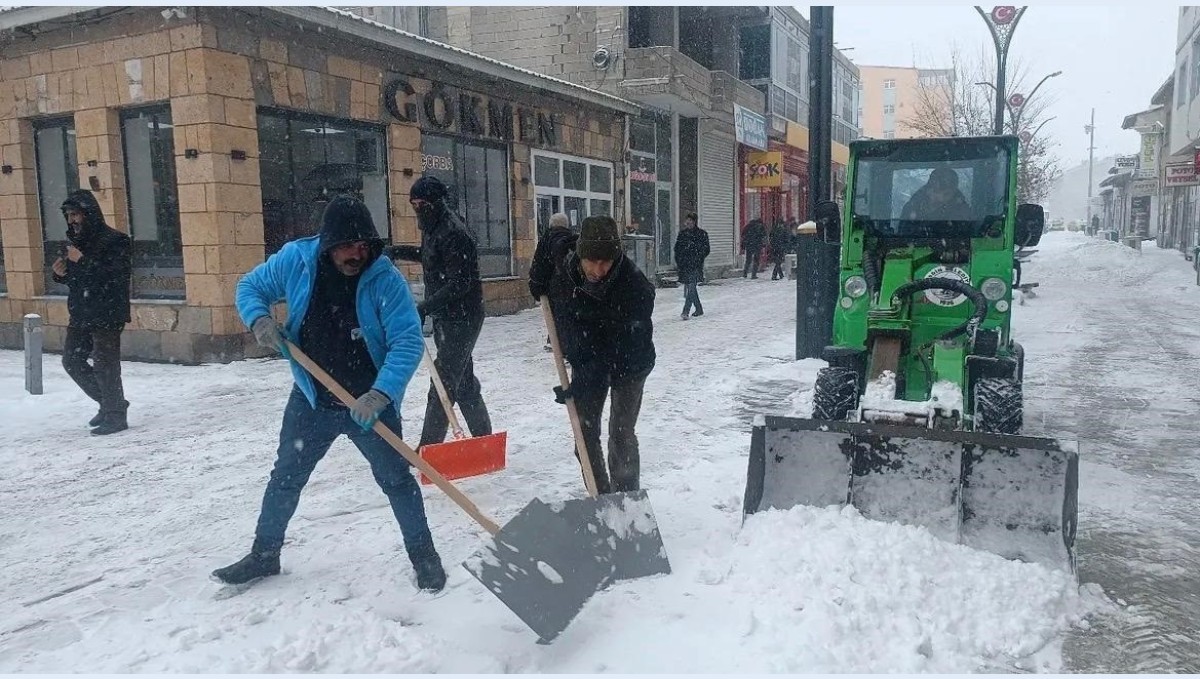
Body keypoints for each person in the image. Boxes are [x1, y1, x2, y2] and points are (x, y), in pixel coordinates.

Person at [214, 194, 446, 591]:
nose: (358, 254)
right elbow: (250, 286)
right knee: (286, 476)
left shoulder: (385, 279)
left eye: (364, 245)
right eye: (348, 245)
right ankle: (264, 555)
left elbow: (407, 342)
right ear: (328, 244)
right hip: (312, 400)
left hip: (370, 404)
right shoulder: (297, 261)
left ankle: (424, 555)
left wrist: (381, 394)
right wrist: (259, 319)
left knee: (396, 480)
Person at [531, 216, 655, 495]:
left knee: (621, 436)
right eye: (592, 261)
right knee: (584, 437)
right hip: (588, 356)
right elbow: (553, 237)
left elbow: (610, 353)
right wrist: (537, 278)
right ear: (580, 253)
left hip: (629, 364)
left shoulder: (635, 290)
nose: (598, 270)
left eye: (606, 262)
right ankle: (601, 499)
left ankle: (624, 503)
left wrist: (582, 382)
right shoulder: (566, 258)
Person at [388, 176, 493, 449]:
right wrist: (396, 251)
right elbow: (430, 256)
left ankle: (427, 450)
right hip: (447, 317)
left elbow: (460, 282)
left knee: (443, 383)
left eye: (420, 203)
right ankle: (485, 442)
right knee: (464, 382)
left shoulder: (454, 232)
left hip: (464, 318)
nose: (416, 209)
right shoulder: (434, 227)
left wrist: (424, 308)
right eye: (413, 204)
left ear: (435, 202)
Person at [52, 189, 132, 436]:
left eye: (75, 214)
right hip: (81, 313)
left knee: (105, 365)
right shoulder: (76, 242)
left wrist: (82, 261)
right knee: (72, 361)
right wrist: (60, 274)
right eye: (68, 215)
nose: (71, 220)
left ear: (89, 213)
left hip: (107, 313)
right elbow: (81, 280)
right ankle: (111, 404)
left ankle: (116, 416)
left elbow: (114, 277)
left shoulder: (116, 240)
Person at [531, 212, 573, 349]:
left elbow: (538, 267)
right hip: (570, 286)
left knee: (557, 315)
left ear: (550, 225)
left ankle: (556, 344)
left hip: (553, 287)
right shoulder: (571, 240)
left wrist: (537, 286)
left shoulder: (545, 241)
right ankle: (560, 344)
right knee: (566, 316)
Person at [673, 212, 710, 319]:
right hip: (684, 264)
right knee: (691, 287)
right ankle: (699, 309)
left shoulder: (701, 234)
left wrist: (698, 257)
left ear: (694, 222)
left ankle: (685, 311)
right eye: (687, 220)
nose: (688, 222)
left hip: (696, 264)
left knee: (691, 287)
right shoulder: (682, 234)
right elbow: (677, 249)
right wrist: (679, 261)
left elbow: (706, 249)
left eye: (690, 220)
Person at [901, 167, 972, 222]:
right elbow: (901, 235)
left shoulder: (961, 212)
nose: (931, 192)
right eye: (931, 187)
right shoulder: (912, 207)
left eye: (946, 193)